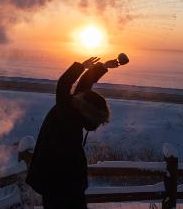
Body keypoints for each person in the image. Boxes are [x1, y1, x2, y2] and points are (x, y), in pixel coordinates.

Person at [25, 57, 121, 209]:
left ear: (82, 104)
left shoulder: (68, 111)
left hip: (53, 181)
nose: (80, 94)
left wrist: (81, 67)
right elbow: (84, 86)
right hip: (72, 182)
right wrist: (101, 67)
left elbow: (63, 84)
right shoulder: (80, 116)